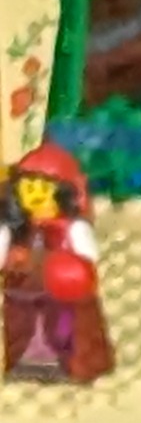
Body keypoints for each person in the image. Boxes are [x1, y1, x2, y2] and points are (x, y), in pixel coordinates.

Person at [2, 145, 110, 384]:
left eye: (44, 188)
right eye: (28, 188)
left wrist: (71, 268)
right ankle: (25, 363)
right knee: (24, 327)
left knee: (63, 326)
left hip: (61, 295)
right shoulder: (16, 231)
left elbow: (89, 255)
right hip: (22, 291)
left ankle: (67, 364)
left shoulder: (72, 228)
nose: (36, 195)